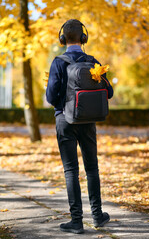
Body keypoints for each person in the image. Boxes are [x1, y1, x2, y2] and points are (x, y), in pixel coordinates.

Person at [46, 19, 113, 234]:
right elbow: (109, 92)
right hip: (88, 121)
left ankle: (76, 221)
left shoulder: (58, 62)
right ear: (84, 38)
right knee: (92, 168)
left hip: (65, 121)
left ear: (62, 38)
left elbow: (50, 97)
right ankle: (97, 215)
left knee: (71, 171)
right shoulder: (92, 61)